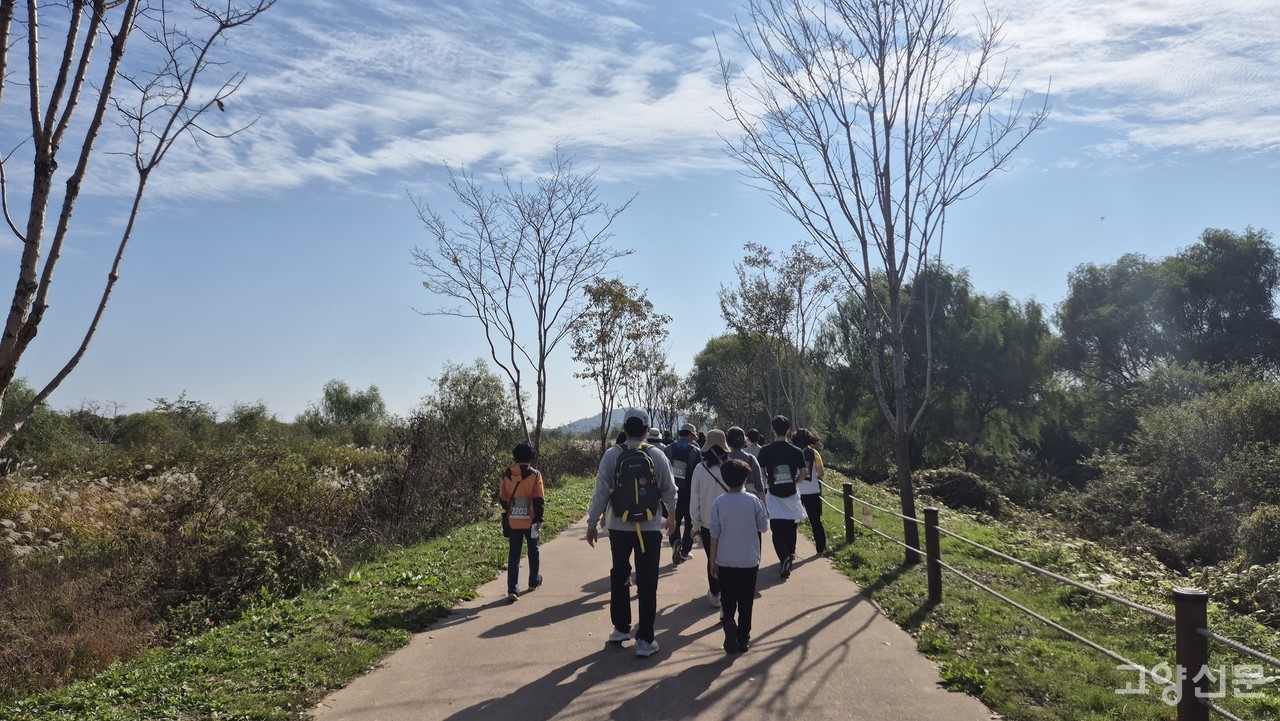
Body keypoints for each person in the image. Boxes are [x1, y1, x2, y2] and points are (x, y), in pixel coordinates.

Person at [586, 408, 677, 659]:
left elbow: (601, 492)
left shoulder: (611, 455)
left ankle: (620, 629)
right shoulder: (657, 455)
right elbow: (670, 491)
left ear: (624, 428)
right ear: (647, 430)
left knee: (619, 574)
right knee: (648, 581)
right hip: (649, 528)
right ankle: (646, 640)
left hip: (618, 527)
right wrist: (671, 517)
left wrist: (592, 522)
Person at [709, 458, 769, 654]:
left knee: (728, 599)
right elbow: (764, 526)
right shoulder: (753, 501)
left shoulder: (718, 503)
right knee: (746, 601)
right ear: (745, 479)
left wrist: (713, 560)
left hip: (725, 560)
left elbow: (714, 533)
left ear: (724, 479)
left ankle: (728, 621)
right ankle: (743, 638)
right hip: (749, 560)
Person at [756, 415, 806, 578]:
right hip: (791, 492)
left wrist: (768, 480)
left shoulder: (765, 450)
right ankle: (790, 553)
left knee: (776, 529)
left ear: (772, 430)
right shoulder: (796, 451)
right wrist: (795, 481)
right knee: (791, 526)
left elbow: (761, 471)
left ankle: (783, 557)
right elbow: (804, 471)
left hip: (774, 493)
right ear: (789, 430)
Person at [689, 429, 732, 608]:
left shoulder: (700, 468)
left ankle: (715, 592)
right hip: (729, 521)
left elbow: (695, 497)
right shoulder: (732, 466)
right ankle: (727, 593)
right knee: (728, 558)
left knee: (712, 557)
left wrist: (694, 524)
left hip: (707, 522)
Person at [499, 442, 545, 603]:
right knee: (534, 549)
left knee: (514, 554)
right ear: (531, 457)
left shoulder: (506, 474)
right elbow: (539, 499)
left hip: (513, 519)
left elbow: (503, 500)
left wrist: (513, 507)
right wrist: (539, 518)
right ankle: (533, 581)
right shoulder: (535, 475)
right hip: (531, 519)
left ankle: (513, 589)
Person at [664, 423, 702, 565]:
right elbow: (699, 473)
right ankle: (685, 551)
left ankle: (675, 542)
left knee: (673, 519)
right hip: (689, 493)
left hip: (671, 493)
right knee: (689, 522)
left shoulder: (668, 449)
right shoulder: (695, 451)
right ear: (691, 435)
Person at [793, 428, 828, 555]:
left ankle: (791, 550)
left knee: (794, 521)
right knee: (815, 521)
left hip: (796, 491)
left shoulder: (792, 452)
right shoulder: (814, 453)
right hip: (812, 491)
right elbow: (820, 473)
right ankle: (820, 548)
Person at [726, 426, 765, 499]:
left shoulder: (724, 460)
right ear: (744, 440)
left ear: (728, 442)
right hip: (750, 498)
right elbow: (759, 485)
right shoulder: (751, 459)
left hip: (728, 499)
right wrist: (764, 505)